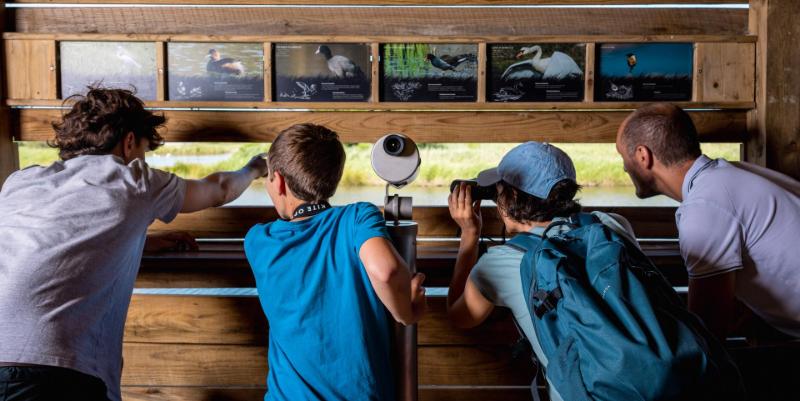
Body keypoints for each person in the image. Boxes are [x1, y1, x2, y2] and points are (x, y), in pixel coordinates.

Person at [0, 87, 269, 401]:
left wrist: (142, 243)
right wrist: (254, 167)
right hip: (56, 369)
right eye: (144, 148)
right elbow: (219, 189)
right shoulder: (133, 180)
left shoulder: (21, 181)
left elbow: (52, 240)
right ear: (129, 142)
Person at [244, 123, 426, 401]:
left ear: (278, 181)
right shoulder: (357, 218)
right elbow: (386, 271)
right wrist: (406, 313)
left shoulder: (258, 241)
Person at [446, 141, 639, 401]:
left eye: (499, 191)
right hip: (659, 381)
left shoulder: (501, 262)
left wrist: (469, 234)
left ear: (512, 198)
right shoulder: (611, 225)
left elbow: (460, 316)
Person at [616, 102, 800, 340]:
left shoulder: (703, 207)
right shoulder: (733, 174)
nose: (623, 167)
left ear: (643, 155)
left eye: (623, 156)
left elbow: (708, 332)